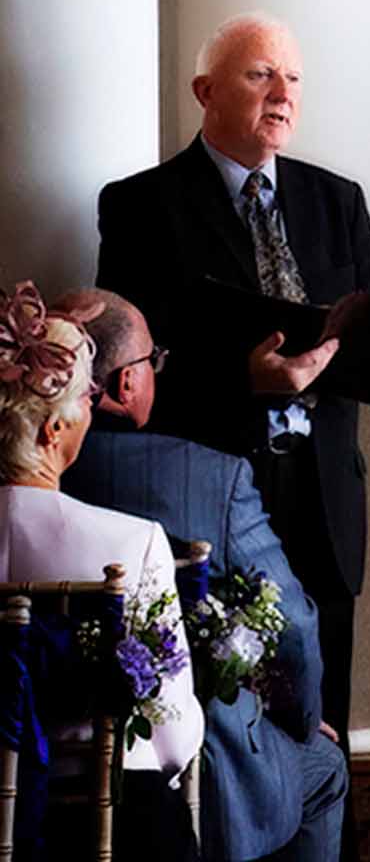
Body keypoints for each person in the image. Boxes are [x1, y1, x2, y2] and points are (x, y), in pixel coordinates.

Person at [97, 10, 370, 859]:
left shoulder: (337, 201)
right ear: (205, 91)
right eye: (261, 75)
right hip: (213, 499)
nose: (283, 94)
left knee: (318, 718)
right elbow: (129, 370)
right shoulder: (142, 206)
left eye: (293, 79)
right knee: (223, 721)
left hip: (325, 490)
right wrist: (244, 378)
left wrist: (332, 360)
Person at [58, 288, 347, 862]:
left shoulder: (26, 473)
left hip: (38, 755)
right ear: (126, 384)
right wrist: (299, 719)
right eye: (153, 361)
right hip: (191, 760)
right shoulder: (215, 478)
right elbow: (293, 629)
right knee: (325, 767)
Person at [0, 280, 202, 861]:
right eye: (85, 403)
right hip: (103, 820)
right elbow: (168, 734)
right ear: (51, 430)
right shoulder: (133, 542)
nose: (94, 411)